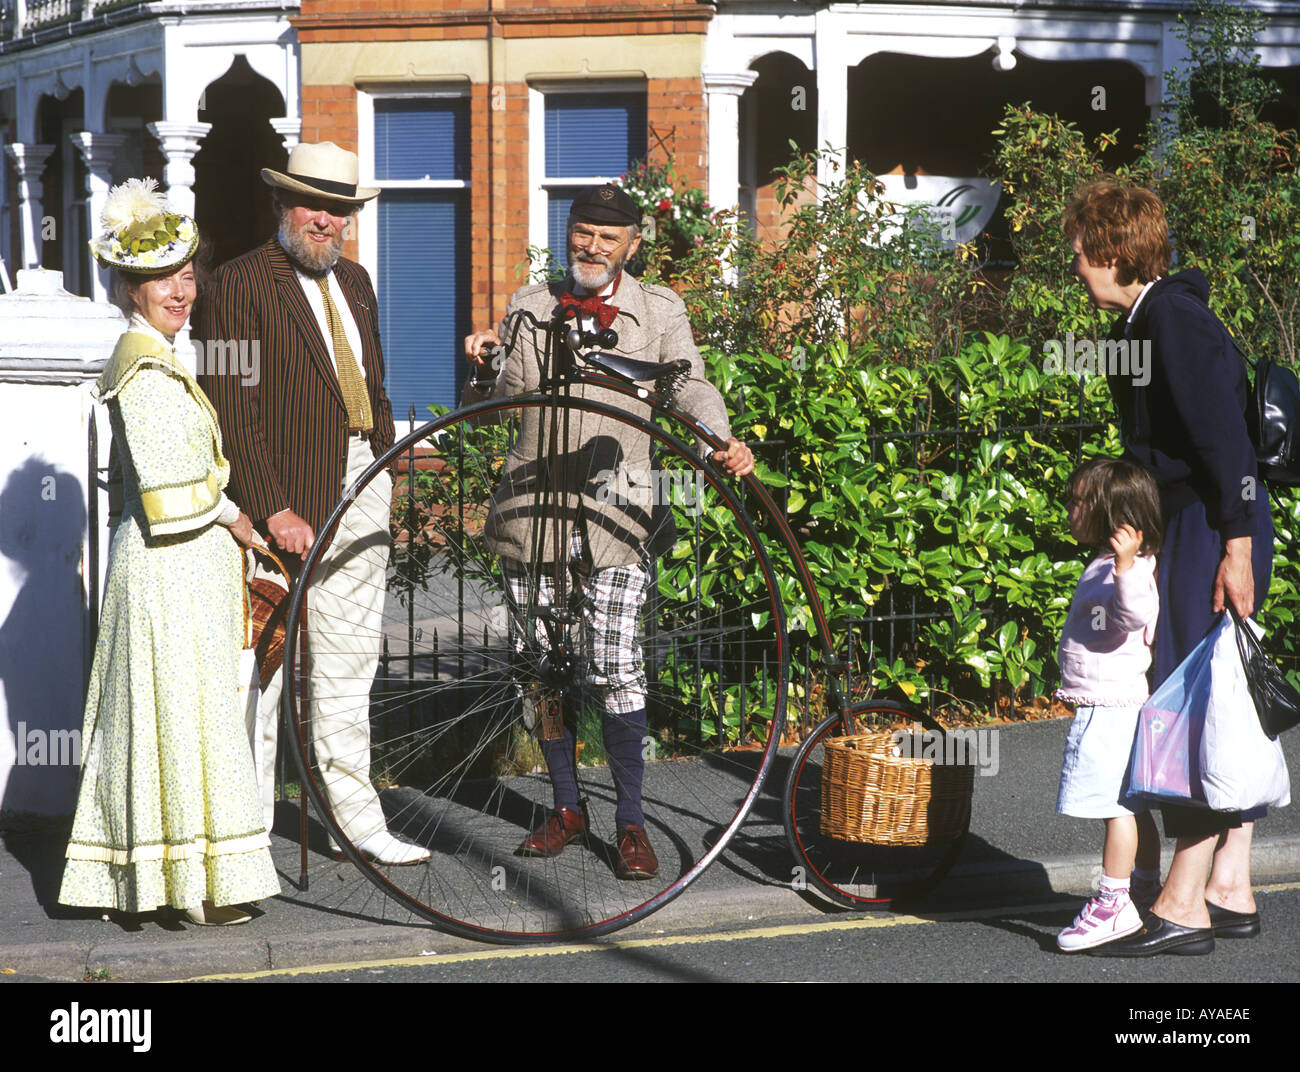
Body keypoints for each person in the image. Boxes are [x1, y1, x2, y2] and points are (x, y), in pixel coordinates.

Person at [463, 183, 753, 880]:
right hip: (533, 515)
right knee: (544, 670)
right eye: (581, 233)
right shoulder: (530, 308)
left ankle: (629, 822)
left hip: (617, 513)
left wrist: (721, 436)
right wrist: (484, 363)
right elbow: (503, 399)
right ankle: (566, 808)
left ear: (633, 244)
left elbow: (688, 385)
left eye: (607, 237)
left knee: (616, 665)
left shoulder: (659, 310)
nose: (591, 246)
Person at [199, 142, 429, 866]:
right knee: (266, 666)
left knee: (349, 656)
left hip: (364, 474)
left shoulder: (356, 280)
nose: (327, 221)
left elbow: (373, 382)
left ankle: (355, 820)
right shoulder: (238, 283)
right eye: (314, 205)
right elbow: (229, 405)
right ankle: (244, 833)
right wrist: (271, 507)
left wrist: (386, 463)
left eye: (341, 209)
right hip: (287, 495)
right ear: (281, 205)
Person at [60, 179, 279, 926]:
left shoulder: (158, 356)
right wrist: (240, 517)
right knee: (177, 720)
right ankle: (185, 888)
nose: (181, 292)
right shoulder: (144, 368)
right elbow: (164, 491)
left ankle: (190, 882)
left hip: (179, 572)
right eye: (163, 280)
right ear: (129, 288)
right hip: (166, 570)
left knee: (186, 719)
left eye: (188, 276)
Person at [1063, 178, 1273, 956]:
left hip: (1210, 530)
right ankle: (1230, 882)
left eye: (1081, 254)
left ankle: (1184, 904)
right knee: (1217, 697)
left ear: (1114, 253)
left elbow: (1227, 446)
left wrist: (1238, 549)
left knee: (1185, 706)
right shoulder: (1148, 320)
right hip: (1201, 524)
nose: (1076, 266)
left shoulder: (1172, 322)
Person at [1053, 457, 1164, 952]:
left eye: (1079, 503)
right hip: (1109, 701)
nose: (1069, 511)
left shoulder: (1132, 569)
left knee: (1113, 806)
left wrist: (1124, 565)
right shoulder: (1107, 563)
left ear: (1117, 520)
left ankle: (1113, 902)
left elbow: (1135, 613)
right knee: (1131, 805)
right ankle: (1143, 884)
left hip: (1109, 705)